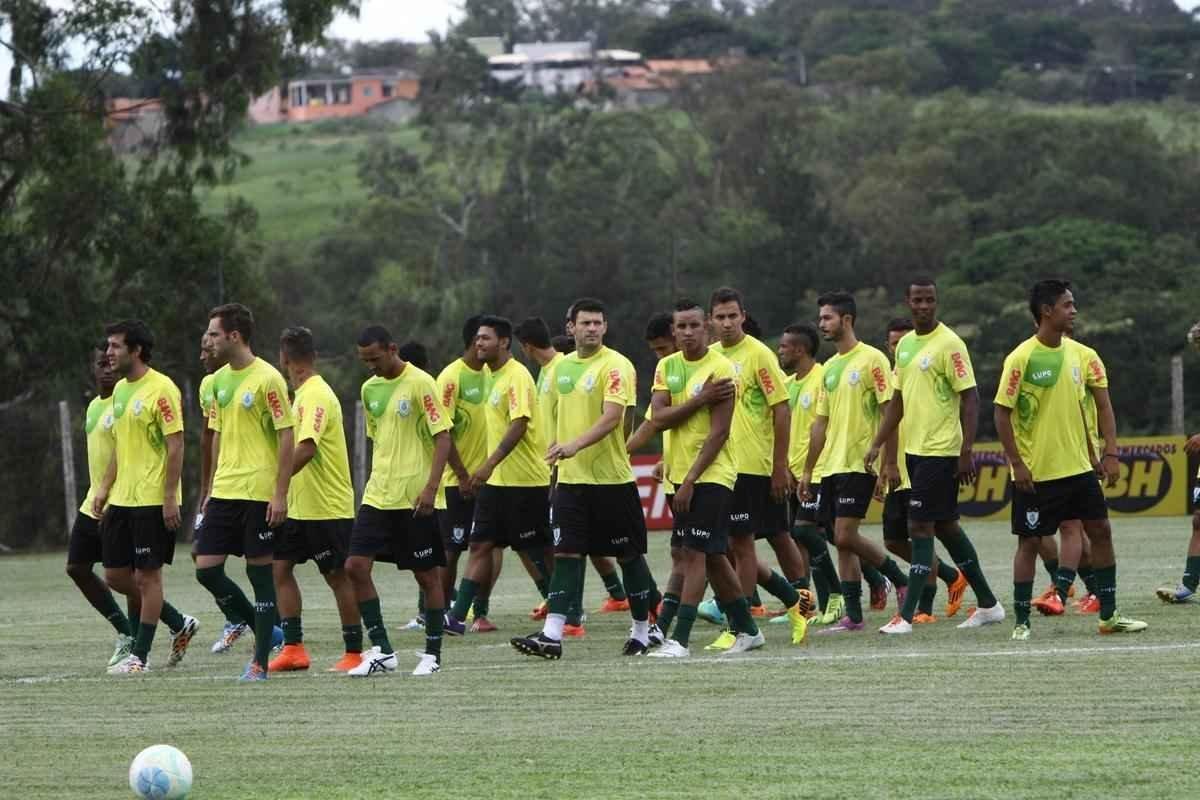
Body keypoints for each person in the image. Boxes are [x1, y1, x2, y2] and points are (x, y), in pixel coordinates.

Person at [994, 279, 1145, 640]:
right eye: (1067, 305)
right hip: (1036, 473)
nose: (1074, 311)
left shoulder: (1085, 355)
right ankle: (1021, 623)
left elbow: (1104, 406)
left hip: (1079, 469)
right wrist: (1017, 463)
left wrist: (1111, 453)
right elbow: (1001, 413)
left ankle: (1108, 615)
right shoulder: (1021, 358)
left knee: (1101, 531)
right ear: (1047, 311)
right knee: (1029, 543)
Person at [510, 298, 657, 659]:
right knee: (567, 554)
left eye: (598, 323)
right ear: (570, 327)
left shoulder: (617, 365)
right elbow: (552, 425)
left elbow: (613, 417)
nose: (592, 328)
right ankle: (552, 635)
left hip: (611, 482)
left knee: (628, 556)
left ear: (605, 327)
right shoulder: (559, 371)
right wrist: (555, 471)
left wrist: (575, 445)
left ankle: (643, 630)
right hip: (571, 483)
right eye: (585, 323)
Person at [649, 300, 790, 656]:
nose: (687, 332)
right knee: (712, 554)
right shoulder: (666, 366)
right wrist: (699, 400)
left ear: (704, 327)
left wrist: (691, 480)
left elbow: (720, 432)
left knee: (699, 551)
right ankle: (748, 628)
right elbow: (659, 418)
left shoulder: (724, 367)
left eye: (694, 325)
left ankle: (677, 638)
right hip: (680, 473)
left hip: (715, 473)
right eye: (680, 327)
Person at [869, 281, 1004, 634]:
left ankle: (907, 616)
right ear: (909, 302)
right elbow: (897, 401)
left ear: (936, 302)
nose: (924, 305)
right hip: (915, 451)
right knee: (944, 525)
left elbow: (971, 398)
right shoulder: (907, 346)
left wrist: (966, 450)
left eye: (930, 299)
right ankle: (989, 604)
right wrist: (878, 442)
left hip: (940, 451)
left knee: (919, 527)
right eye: (918, 300)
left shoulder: (950, 344)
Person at [705, 287, 811, 651]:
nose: (727, 322)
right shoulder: (710, 357)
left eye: (733, 315)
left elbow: (782, 409)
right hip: (720, 465)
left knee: (742, 542)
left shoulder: (759, 355)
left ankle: (743, 625)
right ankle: (797, 601)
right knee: (726, 547)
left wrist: (779, 466)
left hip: (751, 464)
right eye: (720, 317)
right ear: (711, 321)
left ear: (743, 316)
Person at [194, 303, 295, 682]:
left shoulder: (268, 379)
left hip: (259, 492)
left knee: (260, 575)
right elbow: (217, 435)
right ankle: (266, 629)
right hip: (225, 490)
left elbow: (287, 434)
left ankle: (259, 663)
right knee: (206, 569)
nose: (209, 339)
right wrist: (209, 487)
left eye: (214, 334)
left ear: (234, 336)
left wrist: (279, 493)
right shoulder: (218, 381)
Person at [799, 291, 910, 634]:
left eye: (827, 318)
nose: (822, 325)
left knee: (846, 535)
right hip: (830, 466)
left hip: (859, 463)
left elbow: (889, 410)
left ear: (847, 320)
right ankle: (854, 616)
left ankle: (900, 580)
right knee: (840, 540)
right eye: (820, 319)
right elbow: (820, 423)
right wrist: (807, 469)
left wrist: (888, 462)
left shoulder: (872, 360)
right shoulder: (829, 369)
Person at [344, 325, 453, 676]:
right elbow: (380, 439)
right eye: (364, 361)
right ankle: (383, 651)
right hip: (378, 495)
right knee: (355, 566)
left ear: (392, 349)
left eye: (375, 358)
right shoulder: (370, 388)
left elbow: (443, 438)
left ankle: (432, 655)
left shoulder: (422, 383)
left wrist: (431, 488)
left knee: (427, 577)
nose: (370, 366)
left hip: (414, 496)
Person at [93, 321, 198, 673]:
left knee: (147, 579)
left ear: (136, 350)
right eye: (108, 347)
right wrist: (105, 488)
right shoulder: (121, 390)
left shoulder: (162, 389)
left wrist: (170, 497)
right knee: (114, 576)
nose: (108, 353)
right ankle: (178, 621)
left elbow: (176, 443)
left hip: (153, 500)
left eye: (115, 346)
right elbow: (121, 447)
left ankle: (139, 656)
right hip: (123, 499)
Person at [445, 316, 554, 634]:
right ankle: (458, 616)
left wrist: (489, 463)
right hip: (497, 483)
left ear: (504, 342)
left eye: (486, 339)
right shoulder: (490, 376)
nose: (479, 343)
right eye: (477, 338)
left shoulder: (517, 375)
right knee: (479, 544)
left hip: (525, 480)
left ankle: (564, 609)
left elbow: (519, 423)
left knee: (537, 549)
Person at [268, 327, 364, 673]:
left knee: (337, 577)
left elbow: (307, 448)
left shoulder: (316, 395)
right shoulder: (302, 396)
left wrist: (275, 485)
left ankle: (354, 652)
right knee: (279, 568)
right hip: (298, 507)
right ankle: (293, 648)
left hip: (326, 508)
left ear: (285, 359)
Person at [67, 345, 139, 668]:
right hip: (93, 502)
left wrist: (116, 495)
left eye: (112, 362)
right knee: (77, 567)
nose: (108, 369)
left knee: (127, 574)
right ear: (93, 370)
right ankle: (126, 631)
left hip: (121, 501)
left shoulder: (124, 401)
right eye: (102, 364)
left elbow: (130, 454)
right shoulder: (94, 407)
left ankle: (139, 640)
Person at [432, 317, 504, 633]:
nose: (485, 344)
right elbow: (442, 431)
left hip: (493, 479)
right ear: (473, 341)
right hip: (457, 481)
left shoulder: (495, 374)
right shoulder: (450, 377)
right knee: (453, 548)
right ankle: (444, 609)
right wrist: (461, 475)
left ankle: (481, 611)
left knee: (491, 545)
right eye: (481, 338)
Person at [776, 323, 844, 625]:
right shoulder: (790, 384)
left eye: (784, 347)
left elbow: (822, 426)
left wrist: (807, 468)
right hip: (794, 472)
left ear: (800, 350)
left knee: (808, 532)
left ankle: (840, 595)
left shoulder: (821, 379)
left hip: (818, 470)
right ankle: (807, 603)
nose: (779, 351)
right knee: (806, 537)